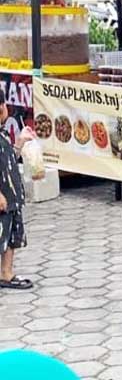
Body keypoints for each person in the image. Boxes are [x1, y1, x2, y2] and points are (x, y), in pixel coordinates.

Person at [0, 103, 33, 291]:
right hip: (3, 196)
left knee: (10, 235)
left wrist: (20, 142)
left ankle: (6, 272)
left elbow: (9, 159)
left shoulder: (3, 133)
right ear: (3, 108)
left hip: (11, 197)